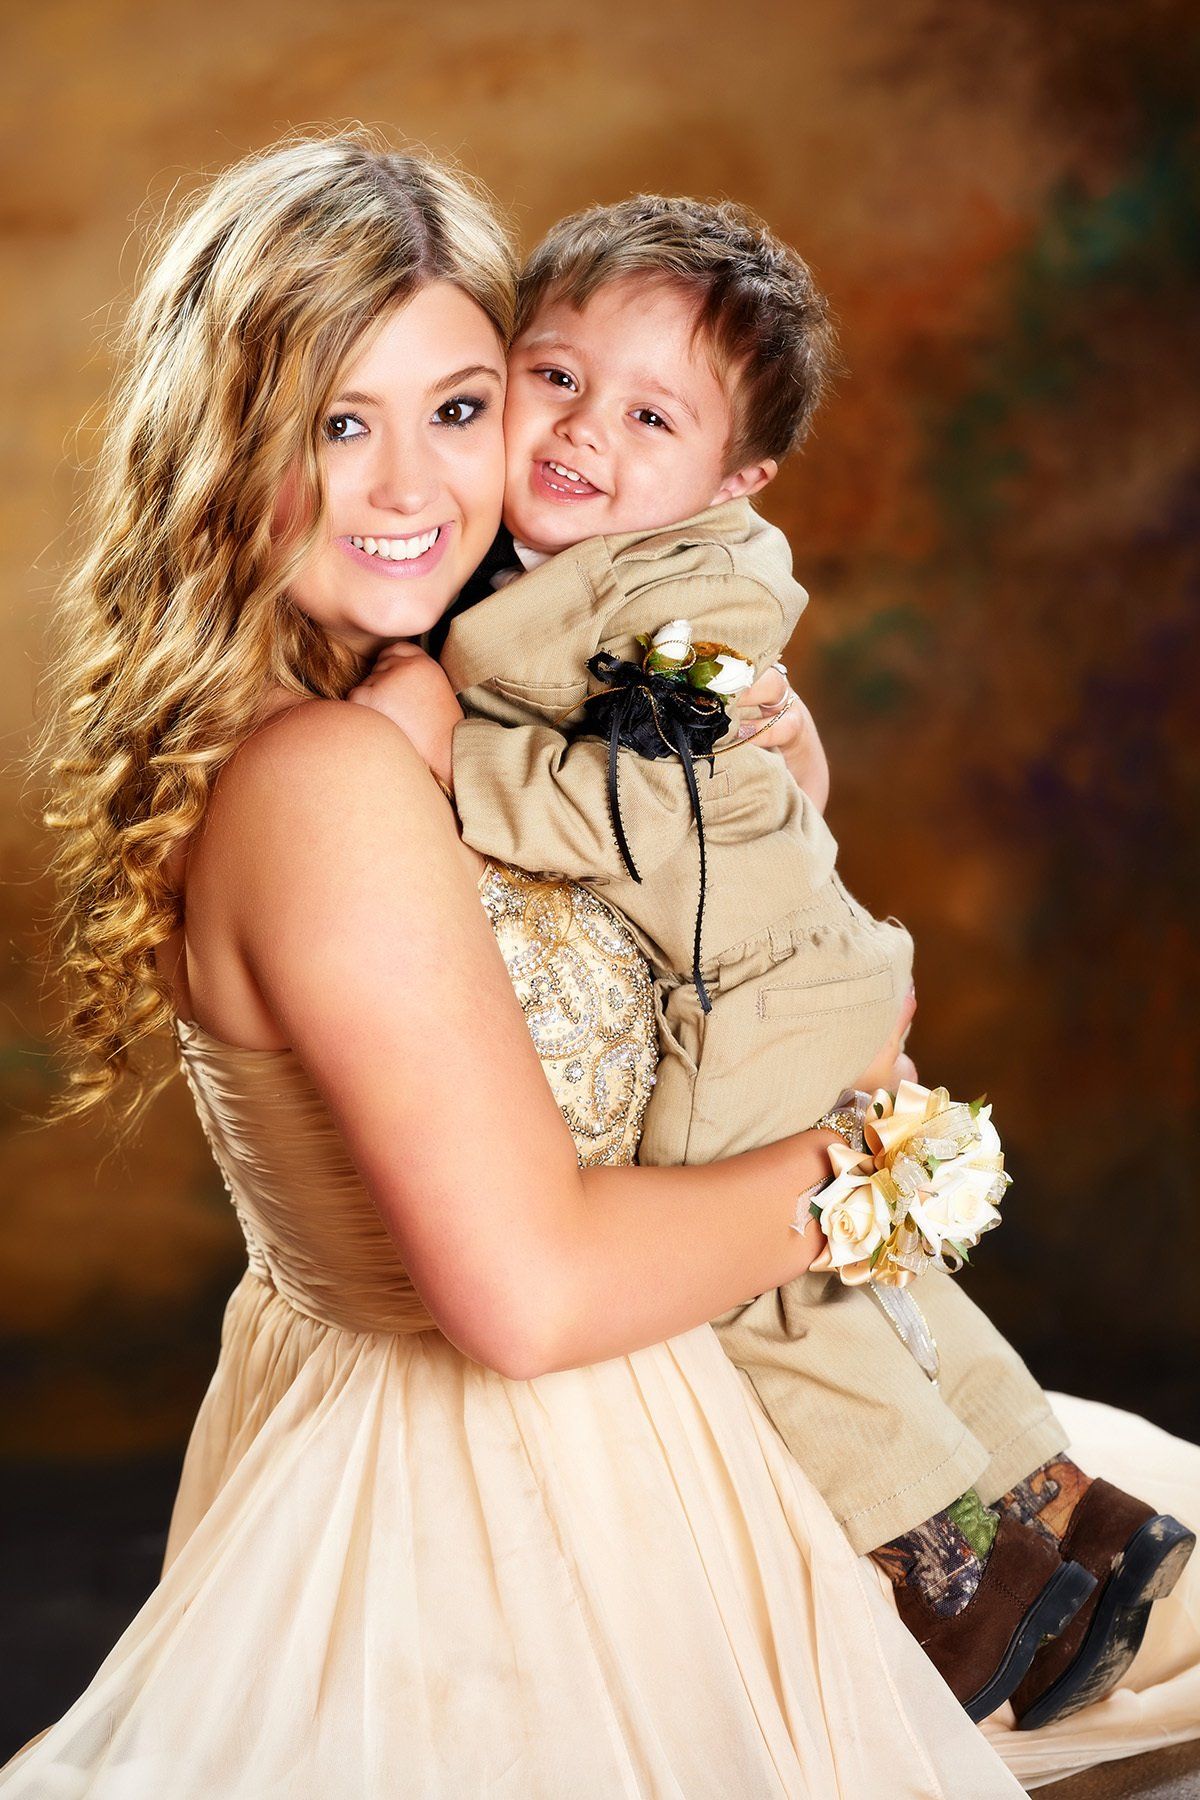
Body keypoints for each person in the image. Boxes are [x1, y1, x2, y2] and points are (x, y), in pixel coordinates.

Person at [5, 131, 1197, 1797]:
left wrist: (786, 809)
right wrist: (874, 1156)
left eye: (462, 407)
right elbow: (530, 1290)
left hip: (687, 1419)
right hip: (519, 1514)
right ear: (226, 446)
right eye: (339, 424)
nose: (414, 485)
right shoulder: (332, 777)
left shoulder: (465, 690)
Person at [347, 194, 1194, 1727]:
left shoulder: (697, 594)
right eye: (554, 377)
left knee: (742, 1271)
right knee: (880, 1265)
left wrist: (447, 761)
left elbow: (641, 797)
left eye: (650, 414)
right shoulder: (549, 564)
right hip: (773, 964)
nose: (584, 431)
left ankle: (962, 1574)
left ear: (736, 479)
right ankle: (1071, 1516)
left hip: (764, 993)